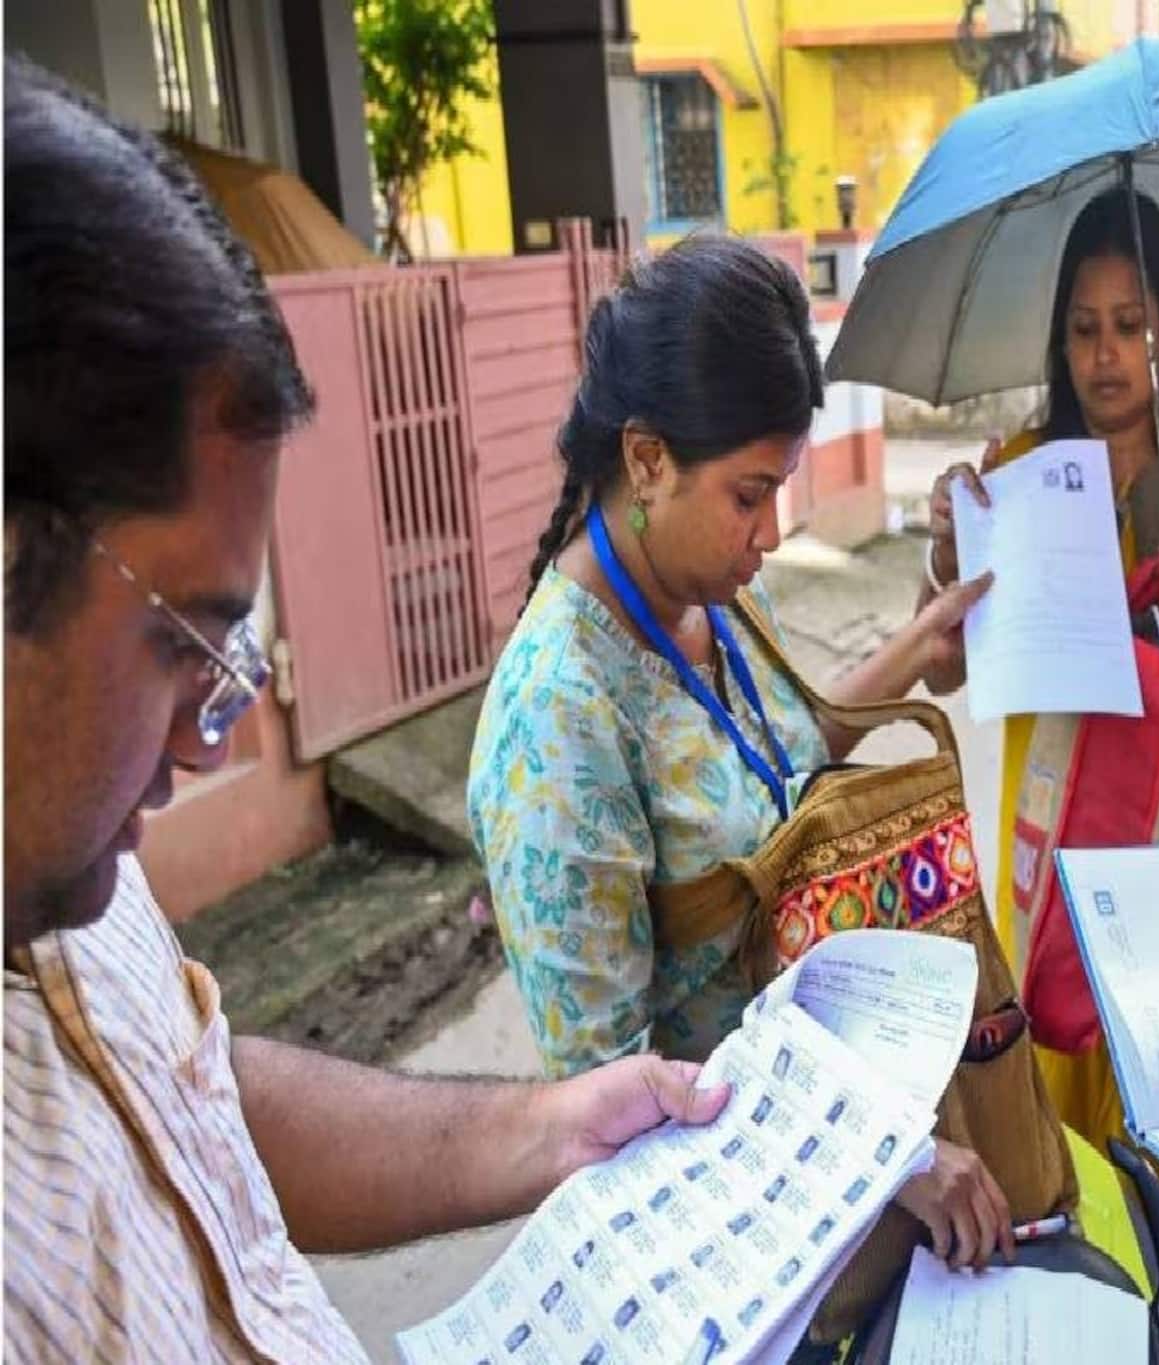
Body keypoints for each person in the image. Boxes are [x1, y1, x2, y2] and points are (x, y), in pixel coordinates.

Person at [1, 60, 731, 1361]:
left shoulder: (70, 878)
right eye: (184, 646)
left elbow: (192, 1086)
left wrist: (554, 1125)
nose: (200, 740)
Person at [466, 236, 1017, 1272]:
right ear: (644, 459)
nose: (769, 533)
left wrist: (913, 645)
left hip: (832, 1164)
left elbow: (777, 751)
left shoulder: (708, 601)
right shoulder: (558, 722)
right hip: (727, 1248)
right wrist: (881, 1158)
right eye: (748, 495)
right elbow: (612, 1101)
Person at [922, 188, 1159, 1363]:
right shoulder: (1019, 481)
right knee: (1062, 1176)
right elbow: (940, 678)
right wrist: (951, 556)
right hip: (1051, 913)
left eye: (1127, 324)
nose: (1103, 354)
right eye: (1082, 328)